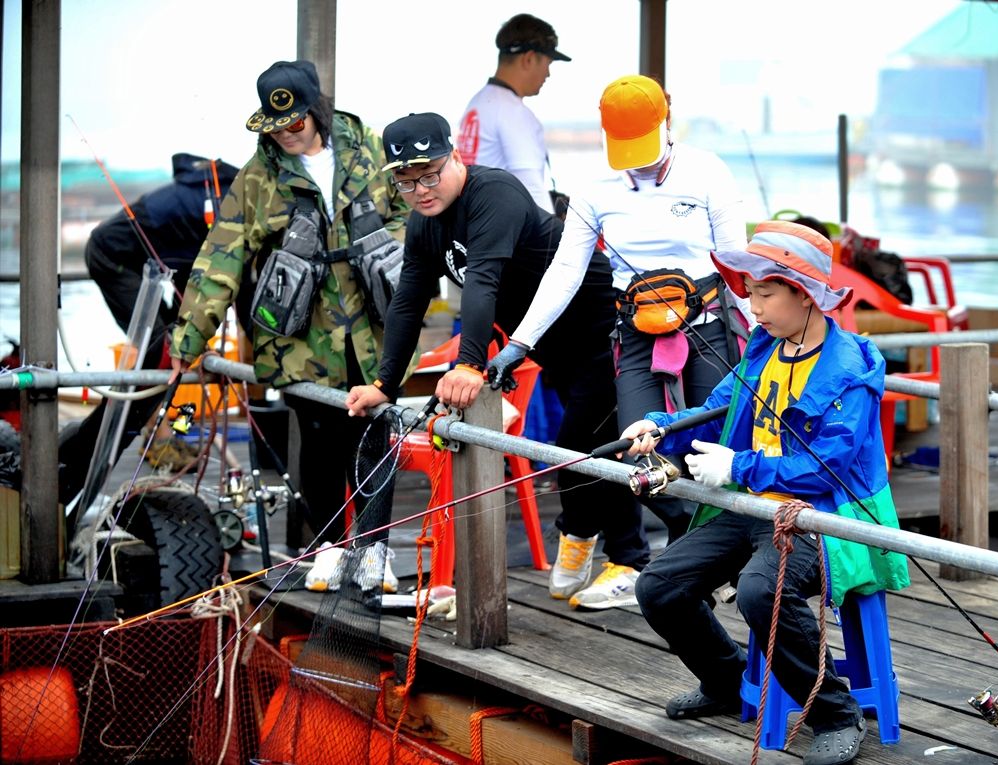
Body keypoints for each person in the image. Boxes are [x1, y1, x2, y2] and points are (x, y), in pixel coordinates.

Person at [619, 221, 910, 765]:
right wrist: (660, 425)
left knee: (759, 592)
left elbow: (826, 469)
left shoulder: (849, 368)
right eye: (749, 292)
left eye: (765, 294)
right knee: (659, 585)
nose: (752, 307)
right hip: (756, 507)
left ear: (805, 295)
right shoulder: (764, 347)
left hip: (826, 518)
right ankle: (727, 681)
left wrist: (737, 465)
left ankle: (836, 714)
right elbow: (716, 410)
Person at [343, 113, 633, 600]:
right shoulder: (424, 225)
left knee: (582, 442)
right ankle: (602, 542)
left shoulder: (493, 193)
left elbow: (482, 281)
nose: (420, 191)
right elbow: (408, 302)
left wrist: (469, 364)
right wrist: (384, 385)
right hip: (545, 340)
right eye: (406, 182)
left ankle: (622, 554)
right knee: (590, 444)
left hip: (599, 326)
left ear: (456, 157)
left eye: (429, 175)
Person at [493, 74, 751, 610]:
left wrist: (766, 339)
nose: (637, 161)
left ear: (666, 120)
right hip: (635, 332)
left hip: (707, 326)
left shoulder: (708, 171)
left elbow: (737, 266)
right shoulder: (595, 188)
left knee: (709, 447)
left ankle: (710, 567)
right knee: (641, 452)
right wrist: (519, 343)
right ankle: (672, 564)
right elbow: (565, 271)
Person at [169, 60, 408, 589]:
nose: (286, 133)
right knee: (318, 443)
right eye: (275, 126)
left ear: (317, 111)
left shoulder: (369, 147)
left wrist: (386, 246)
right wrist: (189, 339)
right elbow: (221, 256)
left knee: (376, 436)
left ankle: (374, 550)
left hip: (373, 332)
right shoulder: (258, 176)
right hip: (300, 339)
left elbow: (412, 208)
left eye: (295, 122)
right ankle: (327, 548)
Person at [58, 152, 240, 506]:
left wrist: (197, 338)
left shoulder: (216, 196)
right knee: (162, 350)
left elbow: (197, 278)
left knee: (175, 341)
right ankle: (112, 442)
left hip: (154, 266)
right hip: (113, 256)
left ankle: (150, 430)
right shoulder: (222, 203)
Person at [458, 13, 570, 214]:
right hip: (503, 224)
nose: (548, 74)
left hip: (474, 218)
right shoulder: (513, 112)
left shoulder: (477, 103)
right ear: (529, 59)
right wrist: (554, 229)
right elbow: (531, 186)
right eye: (548, 63)